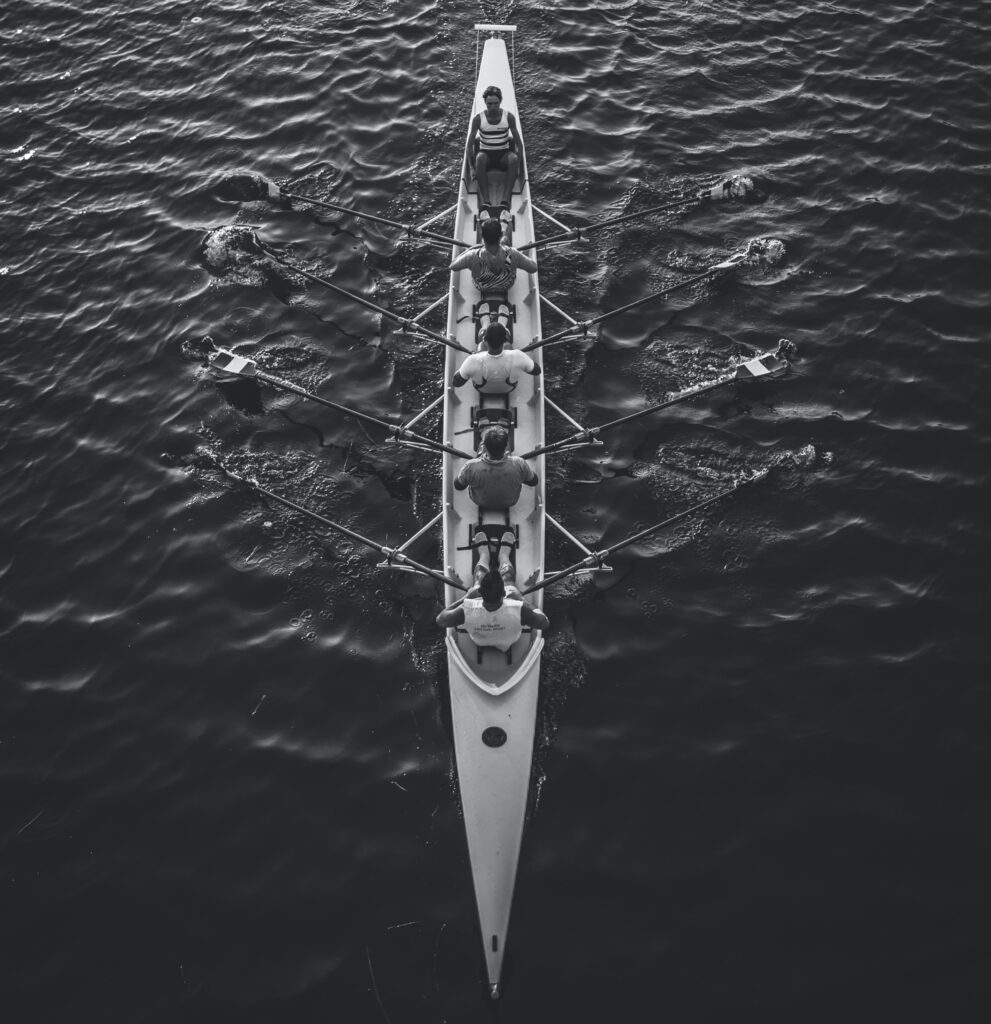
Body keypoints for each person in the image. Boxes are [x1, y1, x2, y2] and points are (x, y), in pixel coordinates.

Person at [436, 531, 549, 650]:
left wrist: (467, 597)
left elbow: (441, 620)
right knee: (508, 579)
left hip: (480, 641)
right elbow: (544, 623)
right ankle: (503, 556)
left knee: (479, 577)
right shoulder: (519, 609)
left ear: (480, 593)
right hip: (509, 642)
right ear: (504, 593)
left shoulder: (467, 609)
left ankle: (484, 555)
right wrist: (520, 597)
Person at [464, 85, 526, 210]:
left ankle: (505, 200)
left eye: (496, 103)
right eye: (489, 104)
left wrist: (518, 166)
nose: (493, 107)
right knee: (480, 158)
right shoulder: (478, 119)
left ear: (500, 101)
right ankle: (486, 201)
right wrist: (471, 168)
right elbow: (469, 145)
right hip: (486, 155)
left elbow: (519, 144)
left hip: (503, 155)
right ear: (485, 103)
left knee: (513, 159)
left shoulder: (508, 117)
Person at [450, 218, 537, 297]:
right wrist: (516, 256)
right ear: (500, 234)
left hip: (482, 287)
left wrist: (470, 249)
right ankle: (509, 222)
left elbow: (453, 266)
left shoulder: (472, 255)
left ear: (482, 236)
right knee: (506, 240)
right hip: (506, 285)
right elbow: (533, 268)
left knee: (457, 242)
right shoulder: (513, 253)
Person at [455, 426, 538, 509]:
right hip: (511, 501)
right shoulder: (519, 463)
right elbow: (534, 481)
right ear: (505, 446)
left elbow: (459, 486)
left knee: (478, 459)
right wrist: (520, 476)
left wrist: (468, 474)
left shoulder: (470, 466)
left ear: (485, 447)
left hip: (480, 501)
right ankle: (504, 427)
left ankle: (483, 429)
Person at [453, 322, 541, 391]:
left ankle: (485, 322)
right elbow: (537, 371)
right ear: (505, 340)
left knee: (481, 346)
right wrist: (523, 361)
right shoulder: (518, 355)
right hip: (509, 389)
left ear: (485, 339)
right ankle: (503, 322)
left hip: (482, 389)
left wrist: (469, 364)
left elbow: (456, 383)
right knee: (509, 347)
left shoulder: (472, 360)